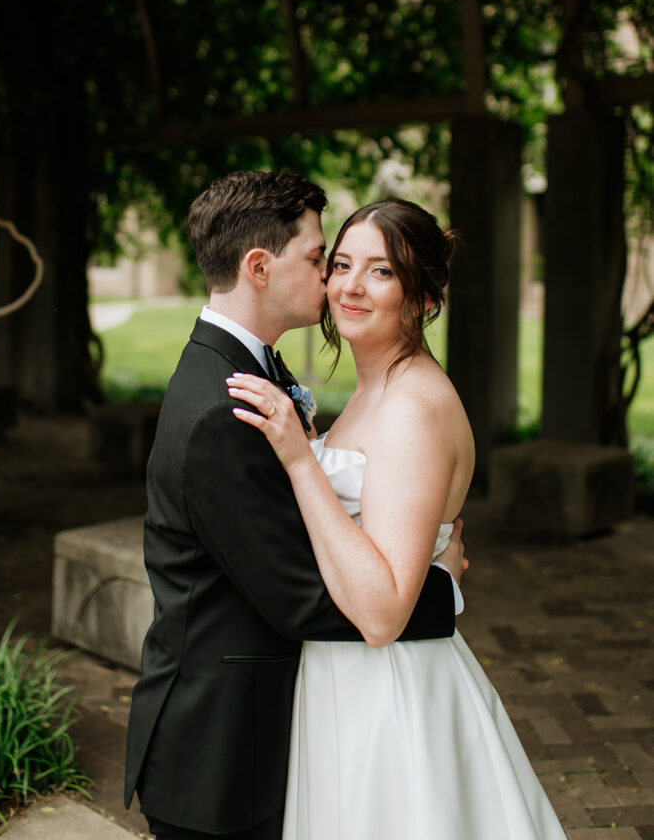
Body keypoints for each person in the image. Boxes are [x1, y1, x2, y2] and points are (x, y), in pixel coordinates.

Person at [124, 172, 467, 840]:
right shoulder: (226, 410)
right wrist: (439, 588)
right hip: (221, 754)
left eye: (369, 270)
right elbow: (300, 597)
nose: (334, 282)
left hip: (276, 723)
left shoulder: (252, 372)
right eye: (324, 260)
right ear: (259, 267)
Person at [229, 198, 568, 840]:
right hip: (343, 677)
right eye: (342, 264)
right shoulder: (374, 389)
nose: (350, 286)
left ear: (422, 300)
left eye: (381, 271)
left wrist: (303, 461)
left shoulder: (412, 405)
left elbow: (384, 614)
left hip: (389, 691)